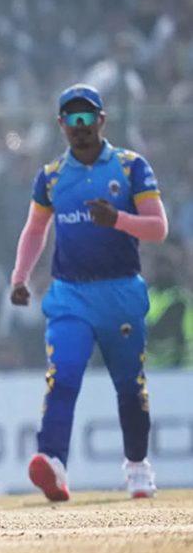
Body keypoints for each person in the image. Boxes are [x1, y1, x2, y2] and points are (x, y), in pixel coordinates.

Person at [10, 84, 167, 502]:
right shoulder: (51, 176)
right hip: (70, 295)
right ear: (61, 125)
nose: (80, 126)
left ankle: (138, 467)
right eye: (72, 119)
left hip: (120, 293)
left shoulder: (131, 167)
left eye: (87, 117)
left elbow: (158, 227)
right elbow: (35, 230)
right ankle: (53, 463)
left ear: (102, 120)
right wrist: (20, 277)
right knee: (62, 376)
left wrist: (118, 220)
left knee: (129, 386)